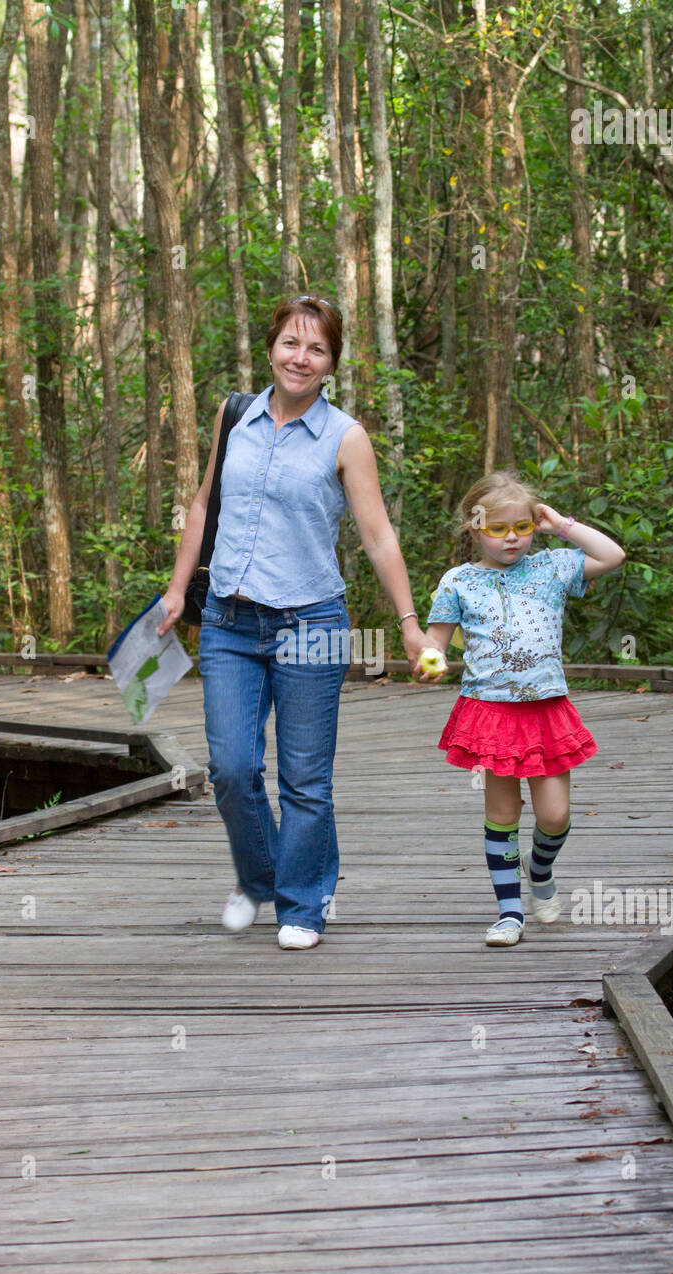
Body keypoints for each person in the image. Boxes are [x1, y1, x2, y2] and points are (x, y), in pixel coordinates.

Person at [158, 295, 431, 948]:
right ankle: (260, 880)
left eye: (316, 349)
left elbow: (378, 535)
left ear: (331, 363)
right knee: (230, 768)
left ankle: (302, 905)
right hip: (227, 621)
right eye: (290, 343)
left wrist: (411, 623)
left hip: (310, 623)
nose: (300, 357)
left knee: (305, 780)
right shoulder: (235, 415)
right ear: (270, 346)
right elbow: (201, 507)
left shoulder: (346, 437)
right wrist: (174, 591)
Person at [417, 468, 625, 947]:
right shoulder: (458, 581)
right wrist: (432, 659)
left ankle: (541, 867)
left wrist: (562, 526)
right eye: (498, 528)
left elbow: (612, 555)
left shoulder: (552, 567)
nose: (512, 538)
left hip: (546, 709)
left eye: (522, 527)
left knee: (553, 815)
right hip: (491, 711)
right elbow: (437, 641)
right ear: (475, 528)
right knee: (504, 811)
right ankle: (509, 912)